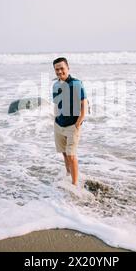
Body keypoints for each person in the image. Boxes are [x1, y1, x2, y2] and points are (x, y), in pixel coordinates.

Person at [52, 57, 87, 186]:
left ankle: (74, 185)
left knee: (72, 156)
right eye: (57, 69)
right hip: (59, 124)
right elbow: (57, 104)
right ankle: (68, 175)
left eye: (62, 68)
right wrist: (55, 119)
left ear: (68, 68)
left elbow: (84, 104)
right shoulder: (55, 85)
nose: (60, 71)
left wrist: (78, 123)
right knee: (65, 153)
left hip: (73, 125)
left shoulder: (76, 84)